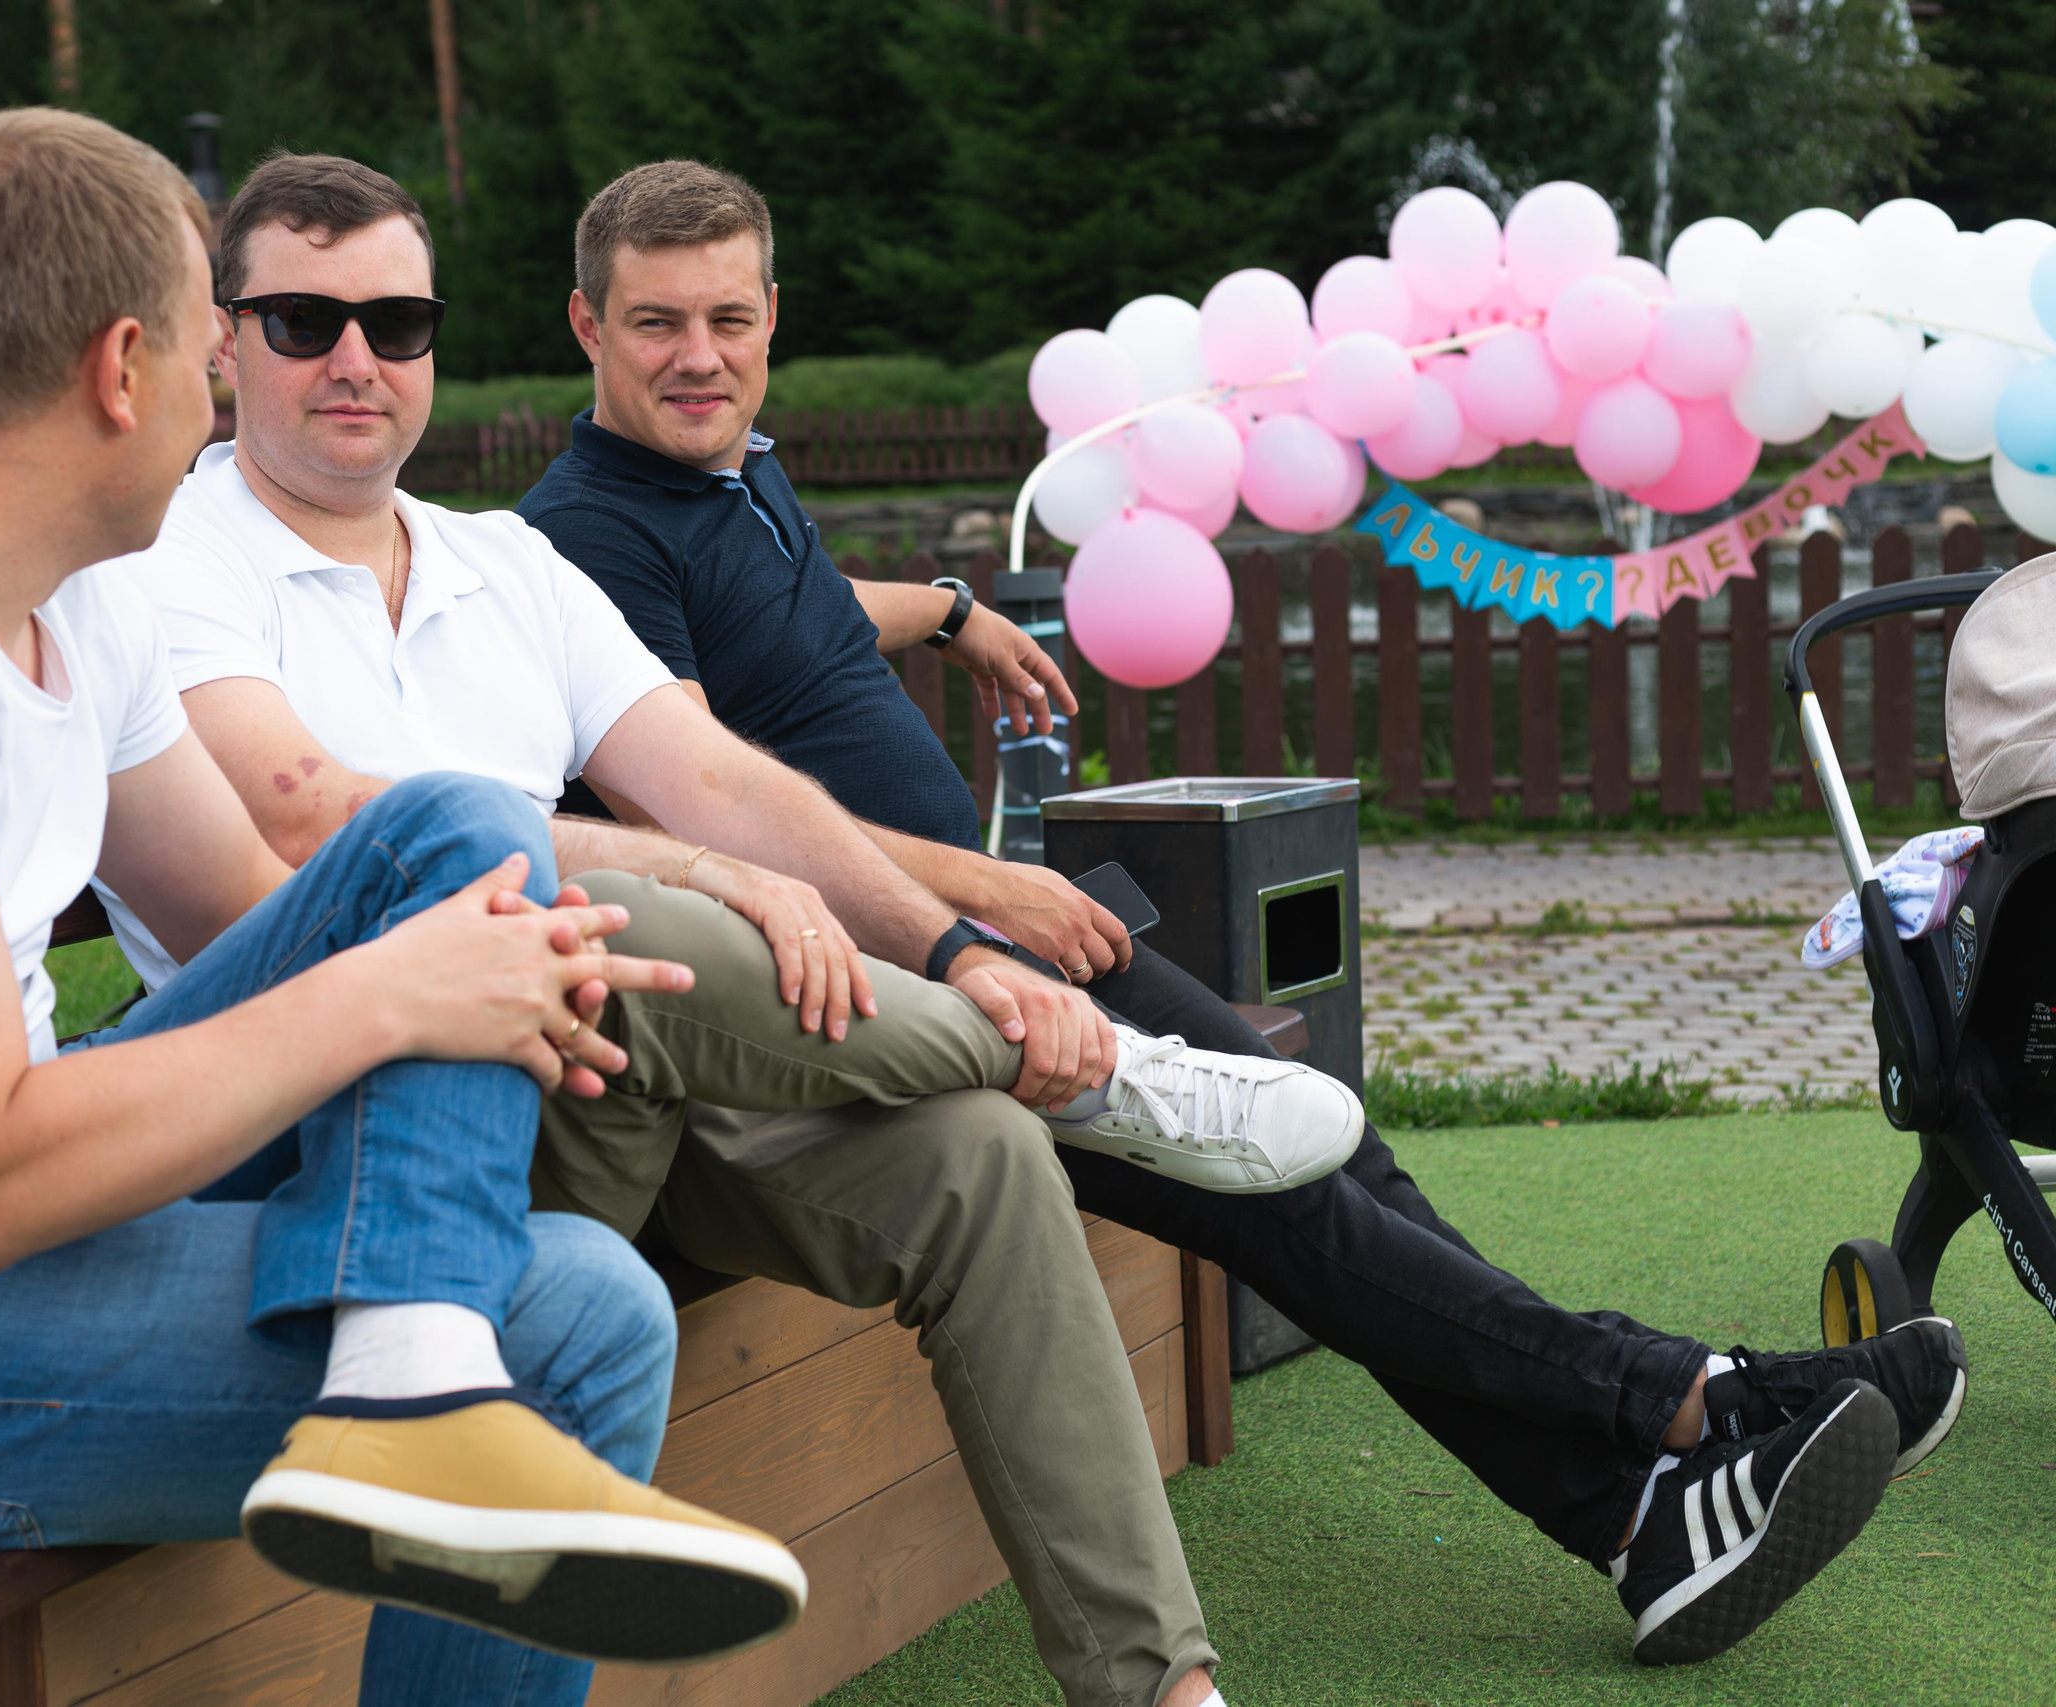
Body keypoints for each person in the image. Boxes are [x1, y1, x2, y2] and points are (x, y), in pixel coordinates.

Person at [514, 157, 1972, 1667]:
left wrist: (947, 613)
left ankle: (1635, 1518)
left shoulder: (731, 471)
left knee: (1332, 1147)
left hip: (999, 927)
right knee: (1293, 1208)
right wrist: (981, 891)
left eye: (728, 319)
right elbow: (710, 805)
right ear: (586, 326)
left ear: (771, 317)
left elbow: (795, 607)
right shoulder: (592, 537)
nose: (699, 356)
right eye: (656, 326)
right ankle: (1690, 1403)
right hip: (903, 983)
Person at [0, 109, 814, 1705]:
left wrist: (486, 982)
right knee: (579, 1326)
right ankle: (425, 1403)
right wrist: (409, 1001)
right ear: (123, 368)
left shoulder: (76, 592)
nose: (217, 395)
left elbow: (261, 913)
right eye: (214, 354)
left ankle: (414, 1388)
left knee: (460, 833)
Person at [98, 149, 1386, 1707]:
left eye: (399, 321)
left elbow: (718, 781)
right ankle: (1104, 1068)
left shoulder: (505, 562)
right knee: (535, 885)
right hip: (375, 1153)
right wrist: (718, 880)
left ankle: (1161, 1690)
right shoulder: (167, 563)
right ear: (223, 344)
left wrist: (958, 946)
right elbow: (317, 822)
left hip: (616, 1094)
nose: (357, 359)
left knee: (977, 1159)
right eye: (304, 320)